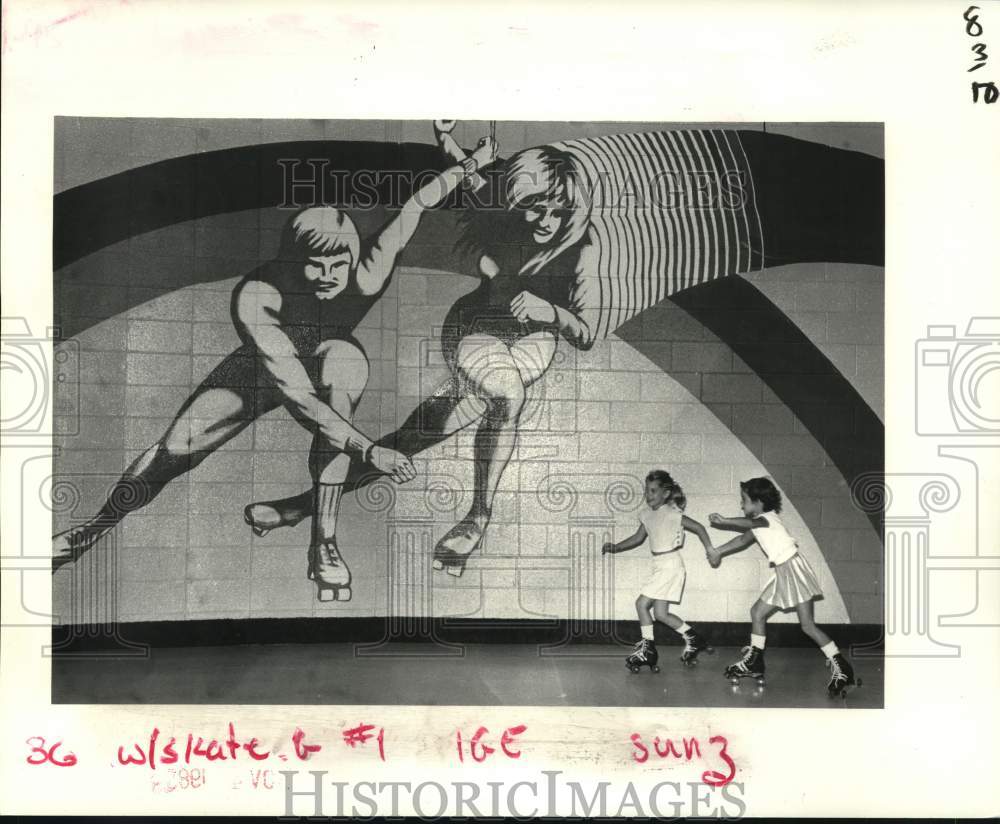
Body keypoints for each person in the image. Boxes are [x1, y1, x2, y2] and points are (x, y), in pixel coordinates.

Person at [245, 123, 884, 578]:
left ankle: (302, 508)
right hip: (472, 332)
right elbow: (477, 190)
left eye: (553, 211)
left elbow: (583, 333)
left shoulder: (588, 256)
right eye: (531, 210)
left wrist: (550, 311)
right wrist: (451, 148)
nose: (539, 222)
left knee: (413, 438)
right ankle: (477, 517)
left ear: (574, 208)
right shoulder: (514, 215)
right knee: (497, 397)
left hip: (533, 349)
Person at [51, 130, 500, 603]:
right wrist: (370, 451)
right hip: (262, 372)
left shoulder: (370, 268)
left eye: (338, 266)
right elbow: (297, 395)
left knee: (343, 367)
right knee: (175, 447)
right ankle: (92, 530)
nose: (329, 278)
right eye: (315, 267)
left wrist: (470, 166)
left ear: (354, 260)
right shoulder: (259, 296)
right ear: (292, 262)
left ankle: (323, 542)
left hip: (328, 358)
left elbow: (416, 205)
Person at [708, 476, 859, 695]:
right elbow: (742, 540)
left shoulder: (766, 518)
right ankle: (755, 662)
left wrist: (724, 521)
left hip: (793, 570)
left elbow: (751, 524)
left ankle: (842, 668)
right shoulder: (761, 522)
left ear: (759, 502)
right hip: (783, 572)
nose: (741, 504)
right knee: (757, 613)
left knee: (807, 625)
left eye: (744, 500)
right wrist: (718, 551)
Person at [601, 470, 715, 673]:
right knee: (661, 614)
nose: (649, 494)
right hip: (661, 565)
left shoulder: (672, 513)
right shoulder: (646, 514)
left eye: (654, 491)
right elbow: (637, 538)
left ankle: (648, 649)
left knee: (641, 604)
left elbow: (699, 528)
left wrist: (710, 549)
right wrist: (616, 547)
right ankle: (694, 638)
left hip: (670, 564)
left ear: (666, 493)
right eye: (646, 490)